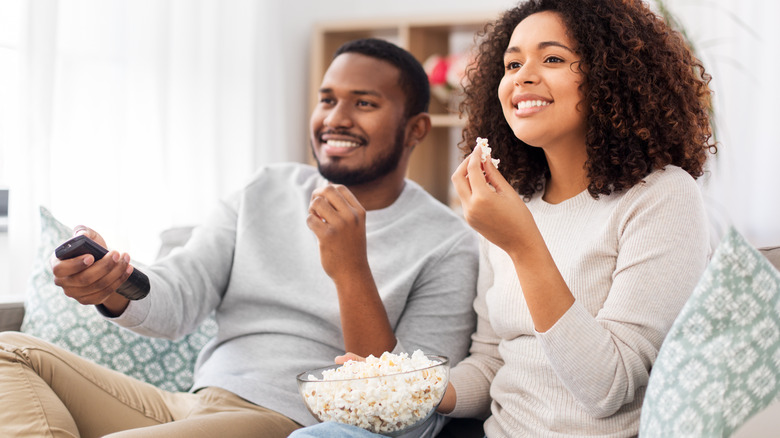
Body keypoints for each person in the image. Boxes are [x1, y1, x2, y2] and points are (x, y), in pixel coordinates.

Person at [0, 38, 479, 438]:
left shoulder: (448, 243)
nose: (336, 118)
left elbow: (406, 405)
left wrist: (350, 268)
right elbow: (180, 292)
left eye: (365, 103)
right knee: (10, 352)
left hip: (286, 421)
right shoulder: (266, 188)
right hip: (194, 405)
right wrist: (113, 284)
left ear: (416, 128)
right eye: (328, 99)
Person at [290, 0, 716, 437]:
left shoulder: (661, 196)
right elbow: (493, 362)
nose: (523, 76)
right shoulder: (513, 202)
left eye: (552, 59)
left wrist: (522, 245)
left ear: (613, 76)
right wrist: (412, 385)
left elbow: (609, 388)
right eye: (512, 64)